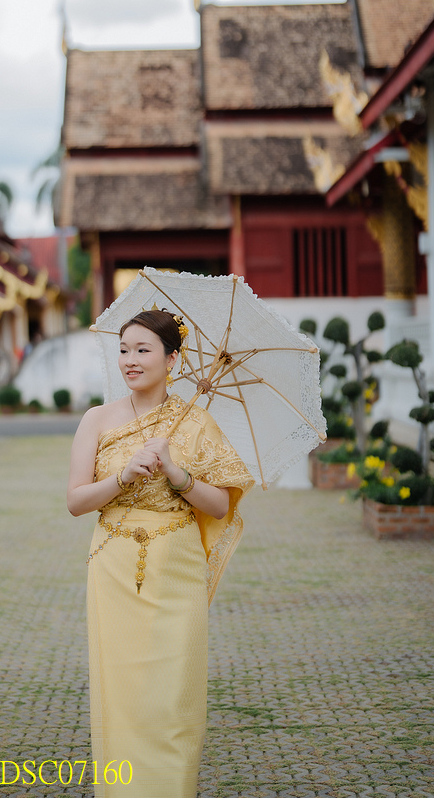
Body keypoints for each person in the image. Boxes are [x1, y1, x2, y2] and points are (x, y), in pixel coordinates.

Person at [67, 309, 254, 798]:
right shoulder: (97, 419)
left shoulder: (195, 422)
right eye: (124, 349)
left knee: (173, 698)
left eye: (143, 349)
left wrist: (176, 473)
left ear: (172, 358)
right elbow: (74, 501)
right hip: (113, 566)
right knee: (122, 693)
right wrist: (122, 477)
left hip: (177, 567)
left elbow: (219, 505)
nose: (130, 360)